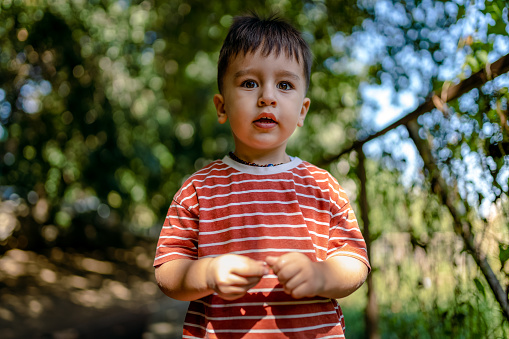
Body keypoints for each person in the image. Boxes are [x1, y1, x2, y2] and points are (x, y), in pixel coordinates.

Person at [154, 13, 370, 338]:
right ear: (222, 106)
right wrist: (208, 271)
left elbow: (354, 260)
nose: (267, 97)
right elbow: (168, 269)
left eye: (284, 85)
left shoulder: (322, 186)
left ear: (302, 111)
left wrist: (321, 275)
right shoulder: (199, 188)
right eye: (249, 83)